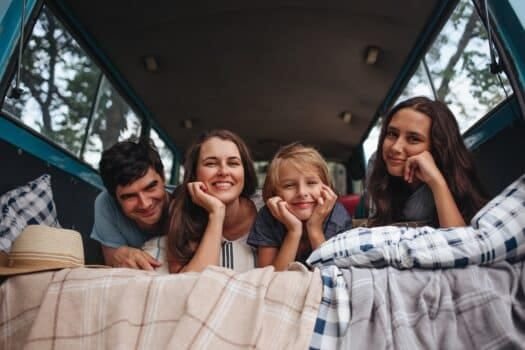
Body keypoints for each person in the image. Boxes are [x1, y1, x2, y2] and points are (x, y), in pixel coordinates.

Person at [367, 96, 488, 227]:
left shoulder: (457, 182)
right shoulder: (376, 164)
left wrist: (437, 182)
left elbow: (458, 243)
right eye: (392, 134)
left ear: (437, 149)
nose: (395, 147)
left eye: (413, 139)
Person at [247, 143, 352, 271]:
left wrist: (314, 228)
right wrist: (294, 231)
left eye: (311, 183)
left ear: (325, 188)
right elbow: (270, 280)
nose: (302, 192)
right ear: (275, 193)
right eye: (289, 185)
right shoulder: (267, 217)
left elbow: (335, 278)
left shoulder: (337, 215)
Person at [165, 129, 258, 273]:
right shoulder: (181, 212)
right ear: (194, 174)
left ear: (245, 171)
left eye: (233, 163)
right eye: (211, 164)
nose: (223, 171)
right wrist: (216, 213)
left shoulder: (268, 210)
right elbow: (185, 283)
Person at [90, 138, 169, 270]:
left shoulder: (185, 202)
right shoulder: (105, 204)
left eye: (150, 187)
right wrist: (118, 254)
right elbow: (111, 262)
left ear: (163, 178)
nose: (145, 204)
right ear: (114, 198)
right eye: (129, 196)